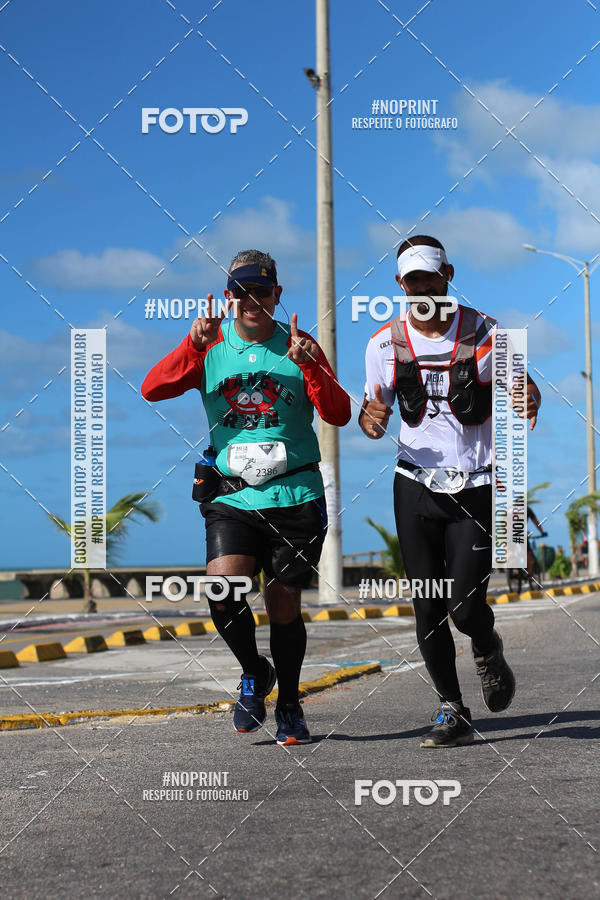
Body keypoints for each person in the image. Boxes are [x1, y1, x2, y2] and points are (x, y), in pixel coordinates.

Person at [142, 250, 351, 746]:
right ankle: (255, 671)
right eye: (241, 292)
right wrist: (191, 347)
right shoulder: (209, 344)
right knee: (223, 590)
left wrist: (311, 367)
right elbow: (152, 388)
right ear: (228, 297)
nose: (251, 300)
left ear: (277, 295)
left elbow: (339, 413)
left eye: (261, 291)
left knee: (283, 603)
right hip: (232, 495)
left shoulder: (300, 345)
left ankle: (291, 705)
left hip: (294, 494)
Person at [359, 235, 541, 748]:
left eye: (430, 279)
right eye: (412, 281)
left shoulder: (488, 333)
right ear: (401, 284)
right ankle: (452, 709)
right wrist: (371, 421)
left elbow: (524, 386)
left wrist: (527, 396)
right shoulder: (383, 344)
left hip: (477, 487)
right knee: (427, 605)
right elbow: (371, 414)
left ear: (448, 276)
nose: (422, 289)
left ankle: (486, 643)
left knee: (464, 608)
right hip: (415, 486)